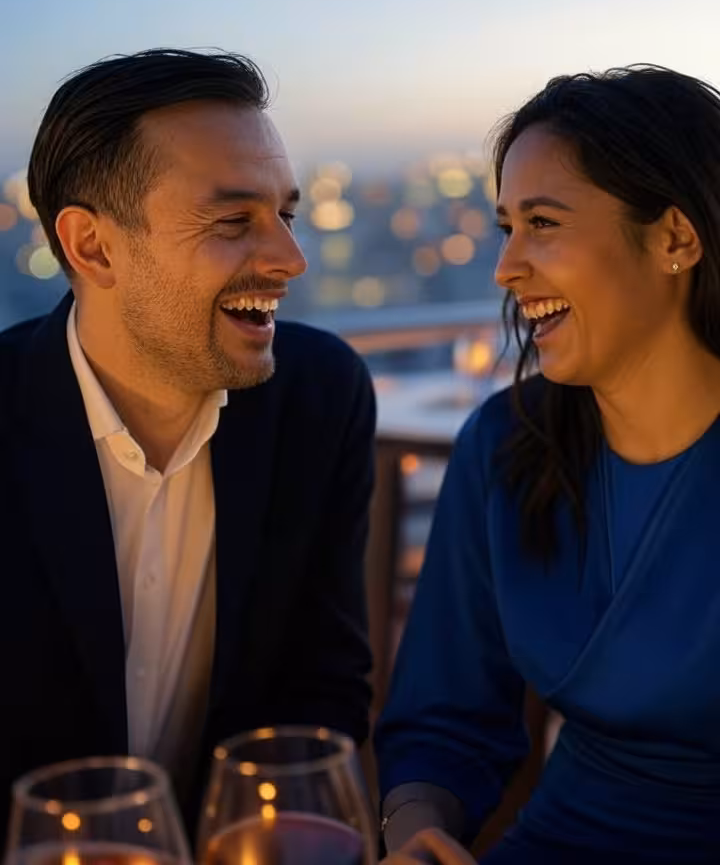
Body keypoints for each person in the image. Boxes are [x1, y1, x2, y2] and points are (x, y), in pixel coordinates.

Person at [0, 49, 375, 838]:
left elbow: (322, 687)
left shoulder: (319, 397)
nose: (290, 259)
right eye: (233, 221)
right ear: (93, 247)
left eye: (286, 215)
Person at [375, 65, 720, 863]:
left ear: (675, 237)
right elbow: (443, 716)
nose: (506, 268)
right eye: (507, 228)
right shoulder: (503, 444)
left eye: (544, 223)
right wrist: (416, 826)